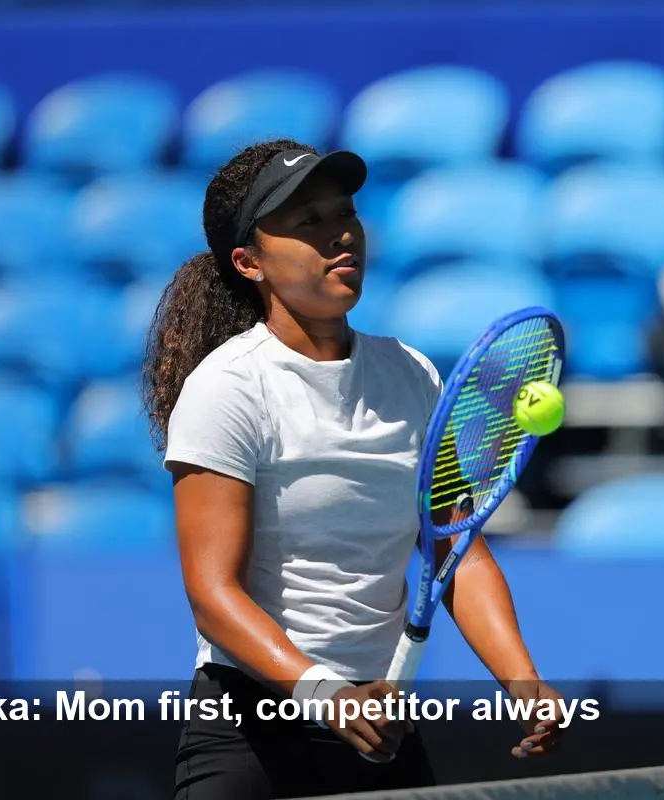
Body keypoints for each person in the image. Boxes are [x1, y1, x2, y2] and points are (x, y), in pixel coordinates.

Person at [142, 138, 565, 799]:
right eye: (308, 222)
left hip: (379, 725)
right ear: (250, 262)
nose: (339, 234)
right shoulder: (226, 389)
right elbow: (212, 594)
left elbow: (459, 552)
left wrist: (520, 678)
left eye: (344, 213)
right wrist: (325, 693)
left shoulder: (412, 375)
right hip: (255, 732)